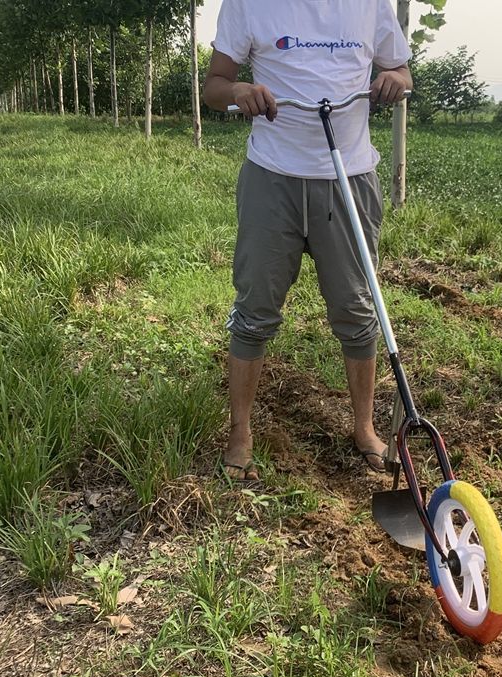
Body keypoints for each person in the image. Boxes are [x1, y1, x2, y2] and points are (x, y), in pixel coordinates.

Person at [203, 0, 413, 481]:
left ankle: (364, 428)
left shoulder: (370, 4)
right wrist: (239, 90)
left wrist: (394, 82)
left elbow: (401, 72)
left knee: (359, 309)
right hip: (271, 177)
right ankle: (240, 432)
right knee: (255, 308)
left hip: (350, 176)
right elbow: (214, 87)